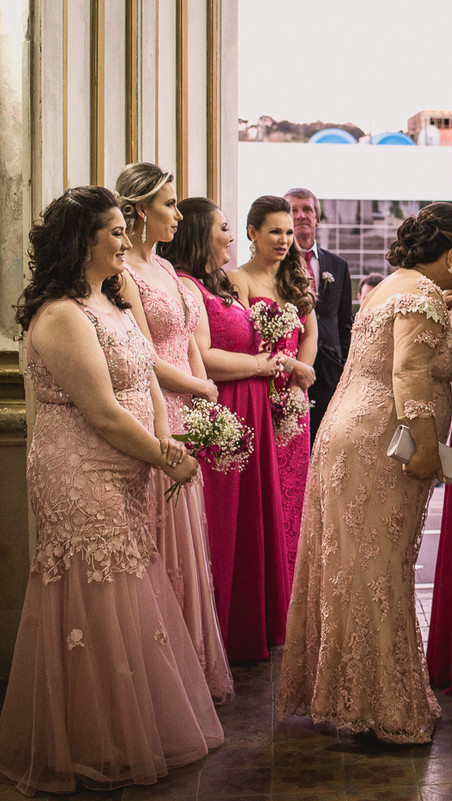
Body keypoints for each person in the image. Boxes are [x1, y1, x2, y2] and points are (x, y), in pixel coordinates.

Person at [0, 186, 222, 794]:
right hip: (79, 470)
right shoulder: (63, 315)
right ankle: (90, 742)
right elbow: (98, 411)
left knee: (129, 590)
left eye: (126, 231)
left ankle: (123, 733)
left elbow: (145, 374)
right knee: (99, 591)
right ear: (84, 242)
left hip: (127, 463)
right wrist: (162, 457)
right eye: (116, 232)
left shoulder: (112, 300)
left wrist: (163, 438)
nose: (127, 242)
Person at [276, 203, 452, 744]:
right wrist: (426, 451)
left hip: (347, 433)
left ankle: (352, 694)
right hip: (382, 442)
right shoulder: (422, 297)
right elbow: (410, 373)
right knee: (378, 568)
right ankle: (384, 709)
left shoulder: (394, 286)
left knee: (354, 566)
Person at [115, 163, 233, 701]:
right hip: (157, 408)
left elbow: (187, 339)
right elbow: (143, 357)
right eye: (169, 204)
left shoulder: (170, 272)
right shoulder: (126, 276)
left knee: (188, 542)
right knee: (161, 542)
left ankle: (188, 669)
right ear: (140, 212)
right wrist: (201, 389)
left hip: (191, 406)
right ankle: (157, 680)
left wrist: (204, 392)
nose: (179, 215)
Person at [173, 197, 290, 662]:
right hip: (226, 410)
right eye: (223, 227)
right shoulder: (188, 288)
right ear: (203, 233)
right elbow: (206, 356)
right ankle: (218, 633)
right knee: (223, 524)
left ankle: (246, 627)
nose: (229, 236)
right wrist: (263, 365)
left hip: (252, 408)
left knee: (249, 522)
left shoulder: (217, 286)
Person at [229, 196, 317, 585]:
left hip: (294, 401)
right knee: (264, 497)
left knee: (294, 495)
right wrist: (288, 366)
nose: (285, 240)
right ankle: (266, 585)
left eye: (287, 233)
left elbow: (310, 332)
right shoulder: (238, 279)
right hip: (256, 396)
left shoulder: (293, 278)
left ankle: (292, 588)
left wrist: (301, 376)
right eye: (275, 232)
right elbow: (240, 339)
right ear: (252, 233)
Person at [285, 188, 352, 443]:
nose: (300, 215)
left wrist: (345, 365)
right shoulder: (278, 266)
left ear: (318, 218)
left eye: (307, 209)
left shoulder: (338, 265)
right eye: (293, 210)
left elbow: (346, 322)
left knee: (331, 440)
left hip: (332, 370)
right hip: (294, 366)